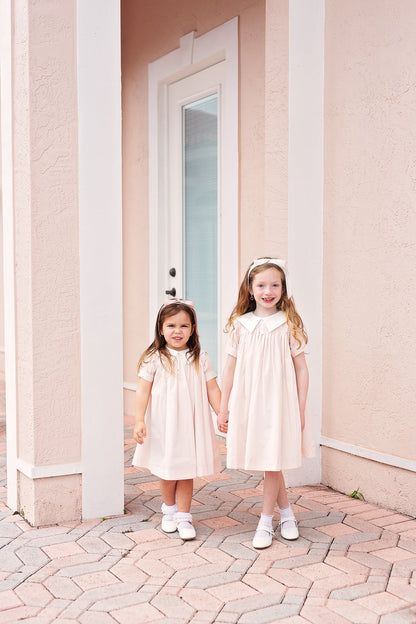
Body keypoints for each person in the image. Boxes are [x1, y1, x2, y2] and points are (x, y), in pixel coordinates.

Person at [217, 258, 314, 549]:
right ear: (250, 289)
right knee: (270, 461)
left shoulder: (288, 324)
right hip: (249, 401)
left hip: (279, 402)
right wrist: (223, 406)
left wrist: (300, 408)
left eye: (274, 285)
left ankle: (265, 520)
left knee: (273, 461)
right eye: (261, 285)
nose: (268, 291)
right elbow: (230, 368)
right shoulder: (240, 325)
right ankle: (287, 514)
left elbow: (301, 370)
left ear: (283, 289)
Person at [133, 299, 221, 540]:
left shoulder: (200, 357)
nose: (177, 331)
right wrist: (139, 420)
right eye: (171, 325)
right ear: (161, 329)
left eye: (184, 326)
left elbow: (213, 388)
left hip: (190, 424)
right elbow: (142, 391)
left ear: (193, 329)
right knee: (168, 470)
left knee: (186, 470)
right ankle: (169, 509)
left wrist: (222, 413)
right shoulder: (154, 357)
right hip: (164, 424)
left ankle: (184, 515)